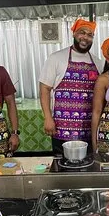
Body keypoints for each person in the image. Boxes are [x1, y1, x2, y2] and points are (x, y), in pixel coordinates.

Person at [39, 18, 105, 155]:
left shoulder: (98, 63)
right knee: (62, 165)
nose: (85, 37)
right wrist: (48, 118)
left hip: (90, 129)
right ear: (74, 33)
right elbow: (45, 88)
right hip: (62, 130)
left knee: (89, 164)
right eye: (82, 32)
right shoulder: (56, 58)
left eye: (90, 35)